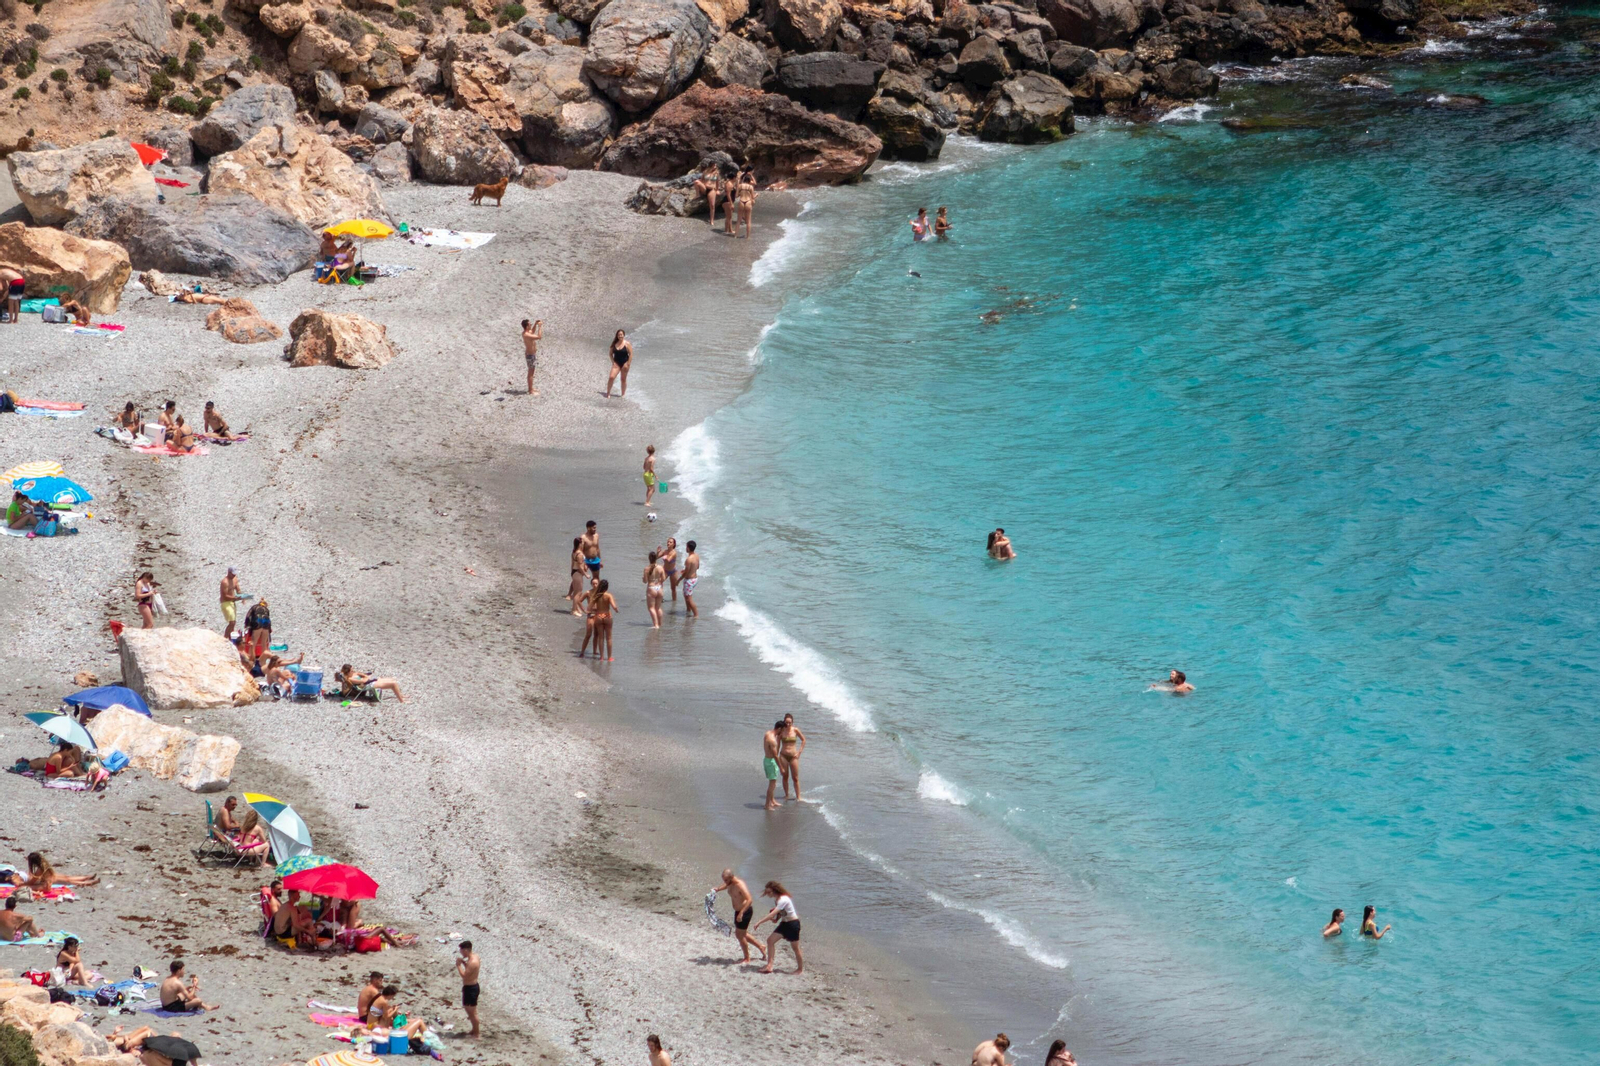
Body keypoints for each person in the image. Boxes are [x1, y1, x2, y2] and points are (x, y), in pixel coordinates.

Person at [712, 869, 766, 963]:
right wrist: (718, 889)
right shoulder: (730, 883)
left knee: (739, 935)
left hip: (745, 911)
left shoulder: (740, 885)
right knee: (742, 934)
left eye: (726, 880)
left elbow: (749, 900)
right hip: (738, 912)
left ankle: (747, 958)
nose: (725, 882)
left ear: (732, 877)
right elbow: (726, 885)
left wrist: (741, 913)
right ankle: (761, 946)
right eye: (724, 880)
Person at [753, 881, 803, 974]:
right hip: (784, 924)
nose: (767, 894)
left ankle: (800, 969)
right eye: (766, 892)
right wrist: (776, 919)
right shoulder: (777, 900)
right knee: (770, 941)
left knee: (795, 948)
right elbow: (781, 912)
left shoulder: (783, 899)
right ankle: (769, 966)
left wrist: (759, 922)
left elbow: (773, 913)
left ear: (775, 890)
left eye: (769, 892)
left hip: (793, 924)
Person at [581, 580, 618, 661]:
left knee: (601, 637)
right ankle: (609, 657)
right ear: (607, 587)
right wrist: (616, 610)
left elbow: (589, 607)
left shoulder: (596, 596)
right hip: (607, 616)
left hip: (598, 616)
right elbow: (614, 606)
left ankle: (601, 657)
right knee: (609, 638)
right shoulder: (608, 595)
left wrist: (586, 611)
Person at [336, 665, 406, 702]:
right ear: (348, 672)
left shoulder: (353, 674)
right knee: (393, 684)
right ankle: (401, 701)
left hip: (369, 681)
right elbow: (363, 681)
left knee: (392, 679)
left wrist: (365, 676)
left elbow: (361, 674)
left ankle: (401, 695)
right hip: (367, 685)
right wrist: (366, 678)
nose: (353, 671)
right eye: (351, 670)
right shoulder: (350, 679)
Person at [26, 852, 97, 887]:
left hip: (51, 879)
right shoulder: (44, 863)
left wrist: (23, 884)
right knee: (68, 878)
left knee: (70, 881)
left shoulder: (39, 870)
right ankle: (87, 877)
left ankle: (88, 883)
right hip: (54, 876)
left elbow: (32, 882)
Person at [457, 940, 481, 1037]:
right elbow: (470, 970)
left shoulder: (473, 962)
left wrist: (458, 965)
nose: (461, 953)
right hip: (470, 987)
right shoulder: (475, 957)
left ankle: (477, 1033)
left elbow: (465, 975)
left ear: (465, 950)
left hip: (471, 988)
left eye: (461, 951)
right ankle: (474, 1030)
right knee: (470, 1011)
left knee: (472, 1013)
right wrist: (463, 963)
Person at [780, 714, 806, 802]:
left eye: (790, 723)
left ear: (792, 722)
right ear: (784, 722)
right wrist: (776, 755)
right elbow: (777, 743)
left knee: (795, 778)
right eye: (786, 722)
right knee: (785, 776)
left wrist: (799, 752)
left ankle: (798, 797)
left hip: (793, 756)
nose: (788, 724)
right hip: (783, 755)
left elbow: (803, 740)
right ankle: (786, 795)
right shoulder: (782, 730)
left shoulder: (795, 730)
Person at [605, 329, 633, 399]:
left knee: (623, 379)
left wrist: (628, 363)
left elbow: (631, 354)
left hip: (625, 363)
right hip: (616, 363)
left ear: (624, 335)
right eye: (619, 335)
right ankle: (608, 392)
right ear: (617, 336)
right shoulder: (614, 344)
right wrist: (613, 362)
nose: (620, 336)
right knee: (611, 377)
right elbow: (610, 354)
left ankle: (623, 394)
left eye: (621, 335)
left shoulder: (627, 344)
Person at [762, 721, 783, 810]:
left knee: (773, 781)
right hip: (771, 762)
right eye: (782, 730)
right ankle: (767, 805)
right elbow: (775, 755)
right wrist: (781, 767)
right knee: (772, 784)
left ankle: (772, 800)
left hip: (766, 759)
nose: (782, 733)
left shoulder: (768, 733)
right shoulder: (772, 740)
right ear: (779, 729)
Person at [219, 568, 244, 640]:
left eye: (235, 574)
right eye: (233, 574)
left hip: (232, 602)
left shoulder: (235, 579)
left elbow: (238, 589)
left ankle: (230, 639)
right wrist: (235, 598)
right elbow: (225, 595)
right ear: (229, 572)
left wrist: (242, 596)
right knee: (232, 622)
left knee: (233, 623)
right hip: (225, 603)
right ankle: (225, 638)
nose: (234, 575)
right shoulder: (224, 582)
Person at [643, 551, 665, 629]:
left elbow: (645, 581)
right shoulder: (660, 567)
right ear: (656, 558)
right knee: (658, 608)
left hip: (651, 588)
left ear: (649, 558)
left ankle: (656, 625)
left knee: (651, 608)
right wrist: (659, 582)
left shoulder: (647, 569)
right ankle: (660, 624)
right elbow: (663, 578)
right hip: (659, 588)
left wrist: (643, 578)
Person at [568, 537, 589, 616]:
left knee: (576, 592)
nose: (583, 544)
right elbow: (580, 566)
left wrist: (572, 573)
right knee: (578, 592)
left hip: (574, 572)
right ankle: (574, 610)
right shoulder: (579, 554)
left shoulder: (574, 552)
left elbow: (572, 564)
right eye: (582, 542)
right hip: (578, 572)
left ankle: (576, 608)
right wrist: (586, 574)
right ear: (579, 544)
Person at [522, 318, 543, 396]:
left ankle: (531, 388)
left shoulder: (527, 332)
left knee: (532, 371)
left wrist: (535, 324)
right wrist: (540, 327)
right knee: (531, 372)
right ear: (527, 326)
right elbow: (539, 337)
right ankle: (530, 390)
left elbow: (532, 331)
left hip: (532, 355)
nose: (531, 324)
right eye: (530, 324)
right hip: (530, 356)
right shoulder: (526, 334)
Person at [681, 541, 700, 619]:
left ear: (688, 548)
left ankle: (696, 615)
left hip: (689, 580)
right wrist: (688, 570)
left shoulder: (688, 559)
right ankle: (688, 610)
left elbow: (685, 573)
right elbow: (697, 567)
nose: (686, 548)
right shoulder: (697, 556)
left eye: (686, 547)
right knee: (686, 595)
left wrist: (678, 580)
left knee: (689, 599)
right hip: (695, 579)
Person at [735, 168, 756, 239]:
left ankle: (735, 235)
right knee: (748, 221)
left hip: (741, 201)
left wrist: (740, 193)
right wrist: (756, 195)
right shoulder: (750, 187)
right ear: (749, 181)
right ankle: (748, 236)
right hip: (748, 202)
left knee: (738, 220)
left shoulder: (740, 186)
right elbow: (752, 197)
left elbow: (736, 196)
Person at [658, 537, 680, 602]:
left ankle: (674, 602)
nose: (668, 543)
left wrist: (665, 556)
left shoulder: (674, 552)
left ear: (674, 544)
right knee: (659, 582)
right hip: (665, 570)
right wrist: (658, 552)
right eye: (668, 542)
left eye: (670, 542)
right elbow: (656, 557)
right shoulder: (665, 551)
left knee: (673, 588)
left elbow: (669, 559)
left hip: (673, 571)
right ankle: (661, 598)